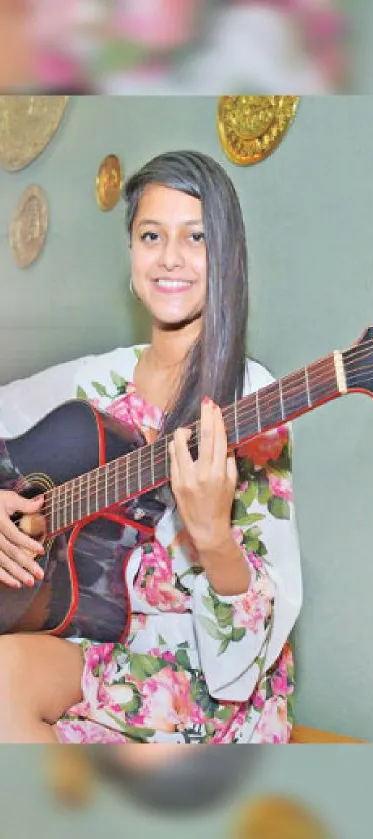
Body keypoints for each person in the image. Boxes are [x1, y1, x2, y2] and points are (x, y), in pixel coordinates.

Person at [0, 150, 302, 743]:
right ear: (132, 253)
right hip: (92, 644)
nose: (170, 258)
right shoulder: (93, 382)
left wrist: (212, 536)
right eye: (151, 235)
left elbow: (263, 623)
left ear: (228, 258)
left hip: (206, 680)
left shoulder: (252, 399)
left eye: (196, 237)